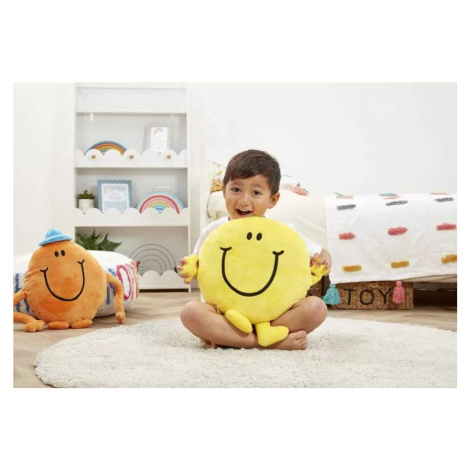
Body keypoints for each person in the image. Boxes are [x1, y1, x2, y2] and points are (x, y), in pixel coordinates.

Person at [178, 149, 331, 350]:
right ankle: (265, 342)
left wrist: (322, 260)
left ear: (272, 200)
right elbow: (197, 265)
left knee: (316, 307)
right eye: (235, 190)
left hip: (273, 316)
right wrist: (188, 270)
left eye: (256, 193)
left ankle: (234, 339)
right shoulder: (214, 231)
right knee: (191, 312)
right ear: (224, 191)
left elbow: (322, 253)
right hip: (226, 315)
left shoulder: (282, 232)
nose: (244, 200)